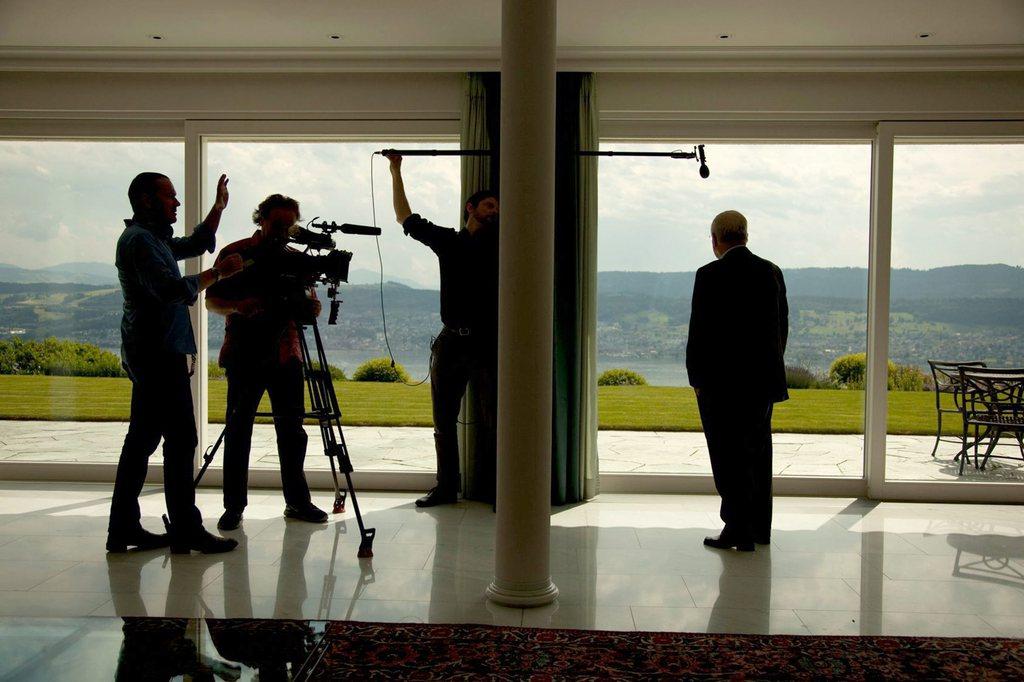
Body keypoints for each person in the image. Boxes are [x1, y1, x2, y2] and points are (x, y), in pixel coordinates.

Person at [107, 172, 244, 554]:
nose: (177, 203)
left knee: (143, 440)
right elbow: (172, 291)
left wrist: (218, 208)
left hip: (152, 351)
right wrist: (219, 273)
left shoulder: (152, 239)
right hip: (158, 353)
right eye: (171, 197)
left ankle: (124, 527)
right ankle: (184, 527)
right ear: (148, 200)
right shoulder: (141, 243)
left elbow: (199, 241)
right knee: (181, 439)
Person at [206, 194, 328, 530]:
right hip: (245, 353)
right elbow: (211, 300)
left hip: (287, 354)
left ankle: (297, 502)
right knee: (238, 429)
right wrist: (239, 306)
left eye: (289, 226)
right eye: (278, 225)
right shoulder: (236, 253)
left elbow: (307, 301)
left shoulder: (295, 259)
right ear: (261, 219)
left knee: (292, 431)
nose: (283, 232)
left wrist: (312, 307)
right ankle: (234, 506)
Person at [386, 153, 499, 507]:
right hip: (451, 343)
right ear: (471, 208)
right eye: (489, 205)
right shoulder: (450, 242)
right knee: (443, 422)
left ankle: (499, 490)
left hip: (487, 344)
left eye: (498, 207)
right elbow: (405, 218)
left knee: (495, 421)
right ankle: (446, 487)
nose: (495, 211)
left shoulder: (505, 244)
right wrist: (396, 170)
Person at [685, 210, 789, 552]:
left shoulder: (709, 275)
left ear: (716, 240)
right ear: (745, 235)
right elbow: (780, 328)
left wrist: (697, 379)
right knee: (756, 453)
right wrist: (771, 368)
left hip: (720, 384)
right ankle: (758, 527)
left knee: (726, 456)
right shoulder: (771, 272)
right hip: (761, 383)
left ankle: (736, 528)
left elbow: (699, 332)